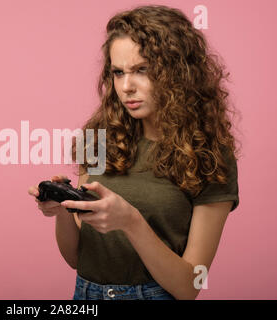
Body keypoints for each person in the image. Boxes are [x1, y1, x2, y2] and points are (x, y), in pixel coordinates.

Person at [28, 5, 240, 300]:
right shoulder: (97, 140)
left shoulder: (209, 156)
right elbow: (79, 259)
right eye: (118, 72)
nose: (126, 87)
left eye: (142, 70)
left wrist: (130, 221)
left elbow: (189, 287)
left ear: (179, 73)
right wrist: (63, 211)